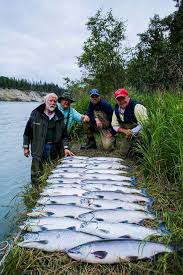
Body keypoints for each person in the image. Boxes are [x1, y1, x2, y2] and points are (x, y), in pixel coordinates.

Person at [23, 93, 74, 188]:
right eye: (50, 101)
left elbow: (64, 135)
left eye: (54, 101)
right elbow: (27, 132)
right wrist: (26, 147)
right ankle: (36, 191)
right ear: (45, 101)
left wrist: (66, 147)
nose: (53, 103)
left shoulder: (60, 116)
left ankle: (52, 190)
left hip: (55, 149)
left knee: (53, 172)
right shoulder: (35, 114)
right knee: (36, 173)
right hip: (38, 149)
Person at [112, 88, 148, 155]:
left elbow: (145, 124)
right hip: (128, 133)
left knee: (139, 153)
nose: (121, 101)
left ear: (128, 97)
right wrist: (125, 131)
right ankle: (131, 147)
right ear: (116, 100)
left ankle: (142, 150)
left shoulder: (137, 107)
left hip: (141, 132)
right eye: (118, 99)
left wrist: (132, 132)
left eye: (123, 98)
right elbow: (114, 125)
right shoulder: (116, 110)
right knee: (123, 153)